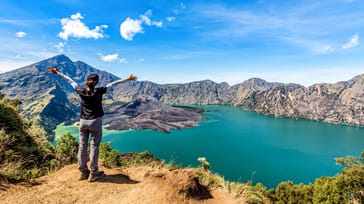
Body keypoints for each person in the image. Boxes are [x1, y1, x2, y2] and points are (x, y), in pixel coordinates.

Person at [48, 67, 137, 182]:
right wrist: (128, 79)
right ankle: (94, 172)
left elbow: (70, 81)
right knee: (94, 146)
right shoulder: (99, 91)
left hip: (83, 122)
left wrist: (58, 73)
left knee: (82, 146)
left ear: (87, 81)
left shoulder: (81, 90)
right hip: (95, 121)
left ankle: (83, 171)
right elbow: (113, 84)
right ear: (96, 83)